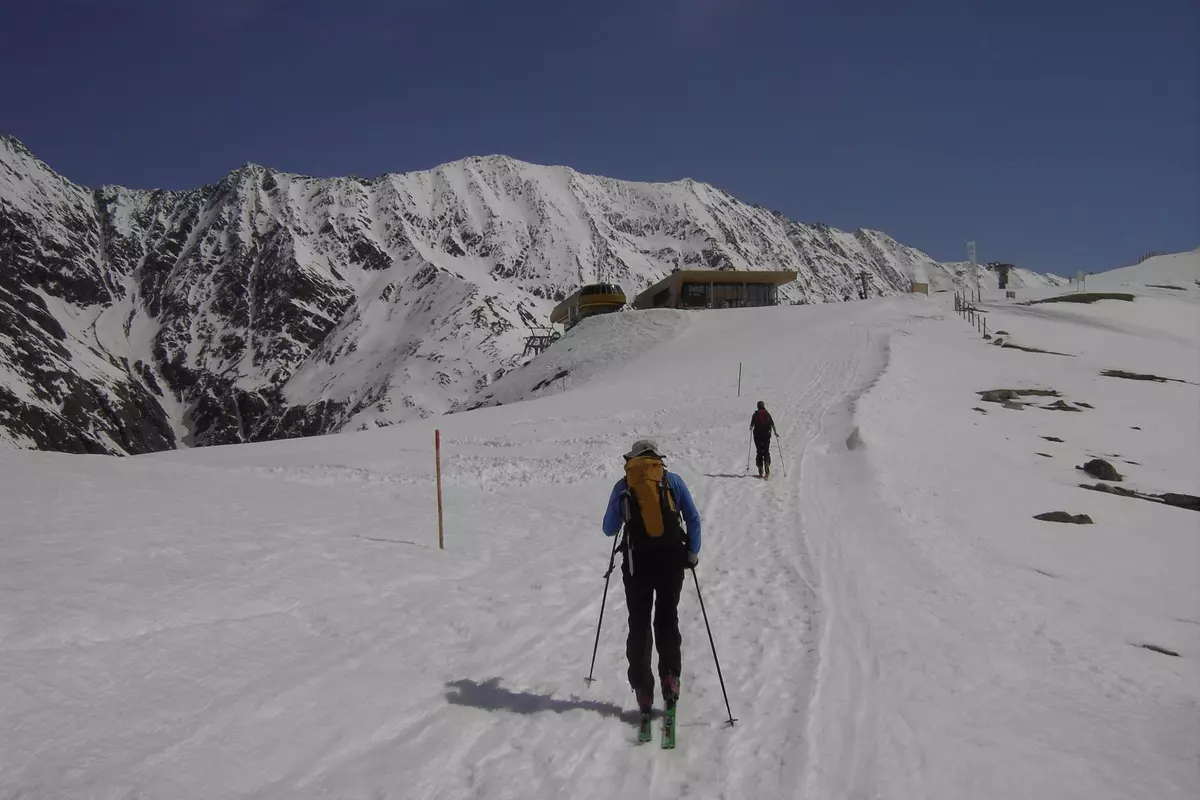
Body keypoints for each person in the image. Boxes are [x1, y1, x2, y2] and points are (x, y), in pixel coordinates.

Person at [602, 438, 702, 715]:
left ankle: (643, 689)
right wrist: (692, 553)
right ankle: (670, 680)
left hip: (637, 566)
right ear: (657, 457)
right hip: (671, 561)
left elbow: (608, 529)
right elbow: (693, 519)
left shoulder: (624, 486)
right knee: (667, 618)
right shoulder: (672, 481)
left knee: (639, 623)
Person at [749, 400, 777, 479]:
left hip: (757, 436)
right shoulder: (767, 414)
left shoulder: (755, 414)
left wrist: (751, 428)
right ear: (763, 405)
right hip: (766, 436)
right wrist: (775, 433)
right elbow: (772, 424)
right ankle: (767, 464)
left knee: (759, 451)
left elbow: (751, 425)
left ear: (758, 406)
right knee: (766, 451)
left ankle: (760, 467)